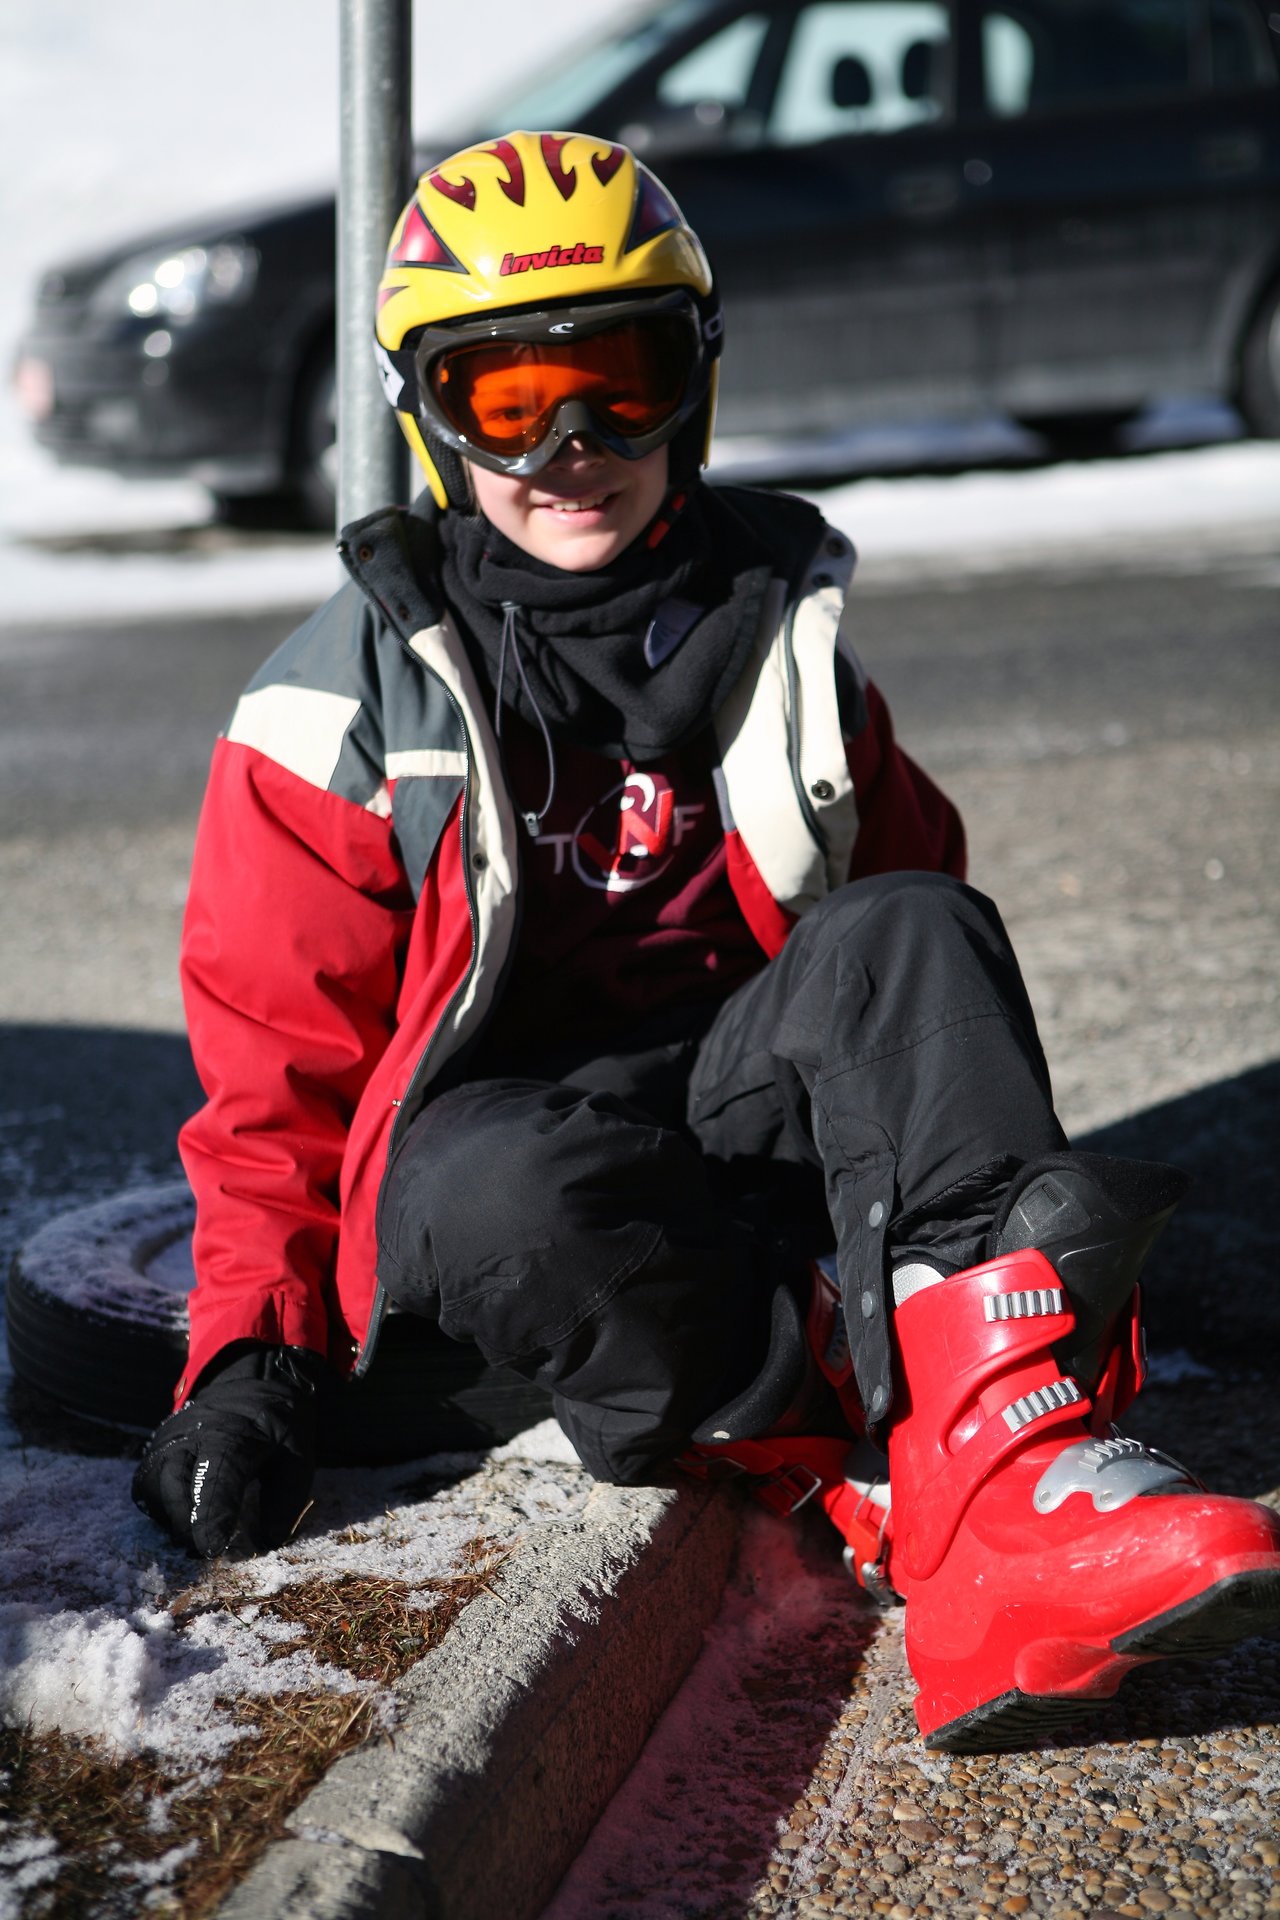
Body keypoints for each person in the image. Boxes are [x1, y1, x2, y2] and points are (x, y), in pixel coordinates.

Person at [132, 130, 1280, 1751]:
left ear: (699, 383)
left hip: (745, 1128)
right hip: (525, 1200)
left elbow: (912, 970)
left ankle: (1012, 1470)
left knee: (914, 926)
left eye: (621, 376)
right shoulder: (333, 710)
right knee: (490, 1179)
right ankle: (863, 1450)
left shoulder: (779, 627)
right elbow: (273, 1090)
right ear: (429, 420)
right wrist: (246, 1363)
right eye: (507, 401)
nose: (574, 446)